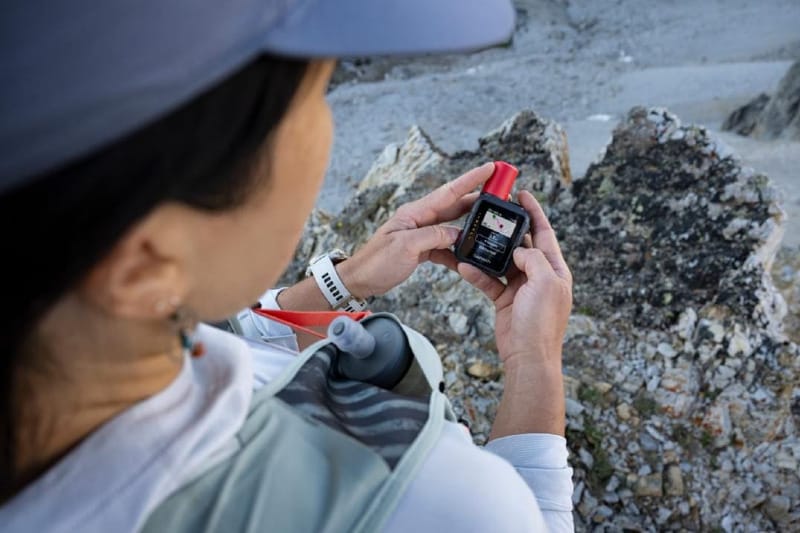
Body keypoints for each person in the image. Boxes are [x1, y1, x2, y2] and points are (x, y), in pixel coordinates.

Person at [0, 1, 574, 531]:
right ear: (142, 266)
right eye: (316, 96)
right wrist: (534, 363)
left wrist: (345, 283)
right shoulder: (440, 505)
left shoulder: (91, 342)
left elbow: (225, 340)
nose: (324, 128)